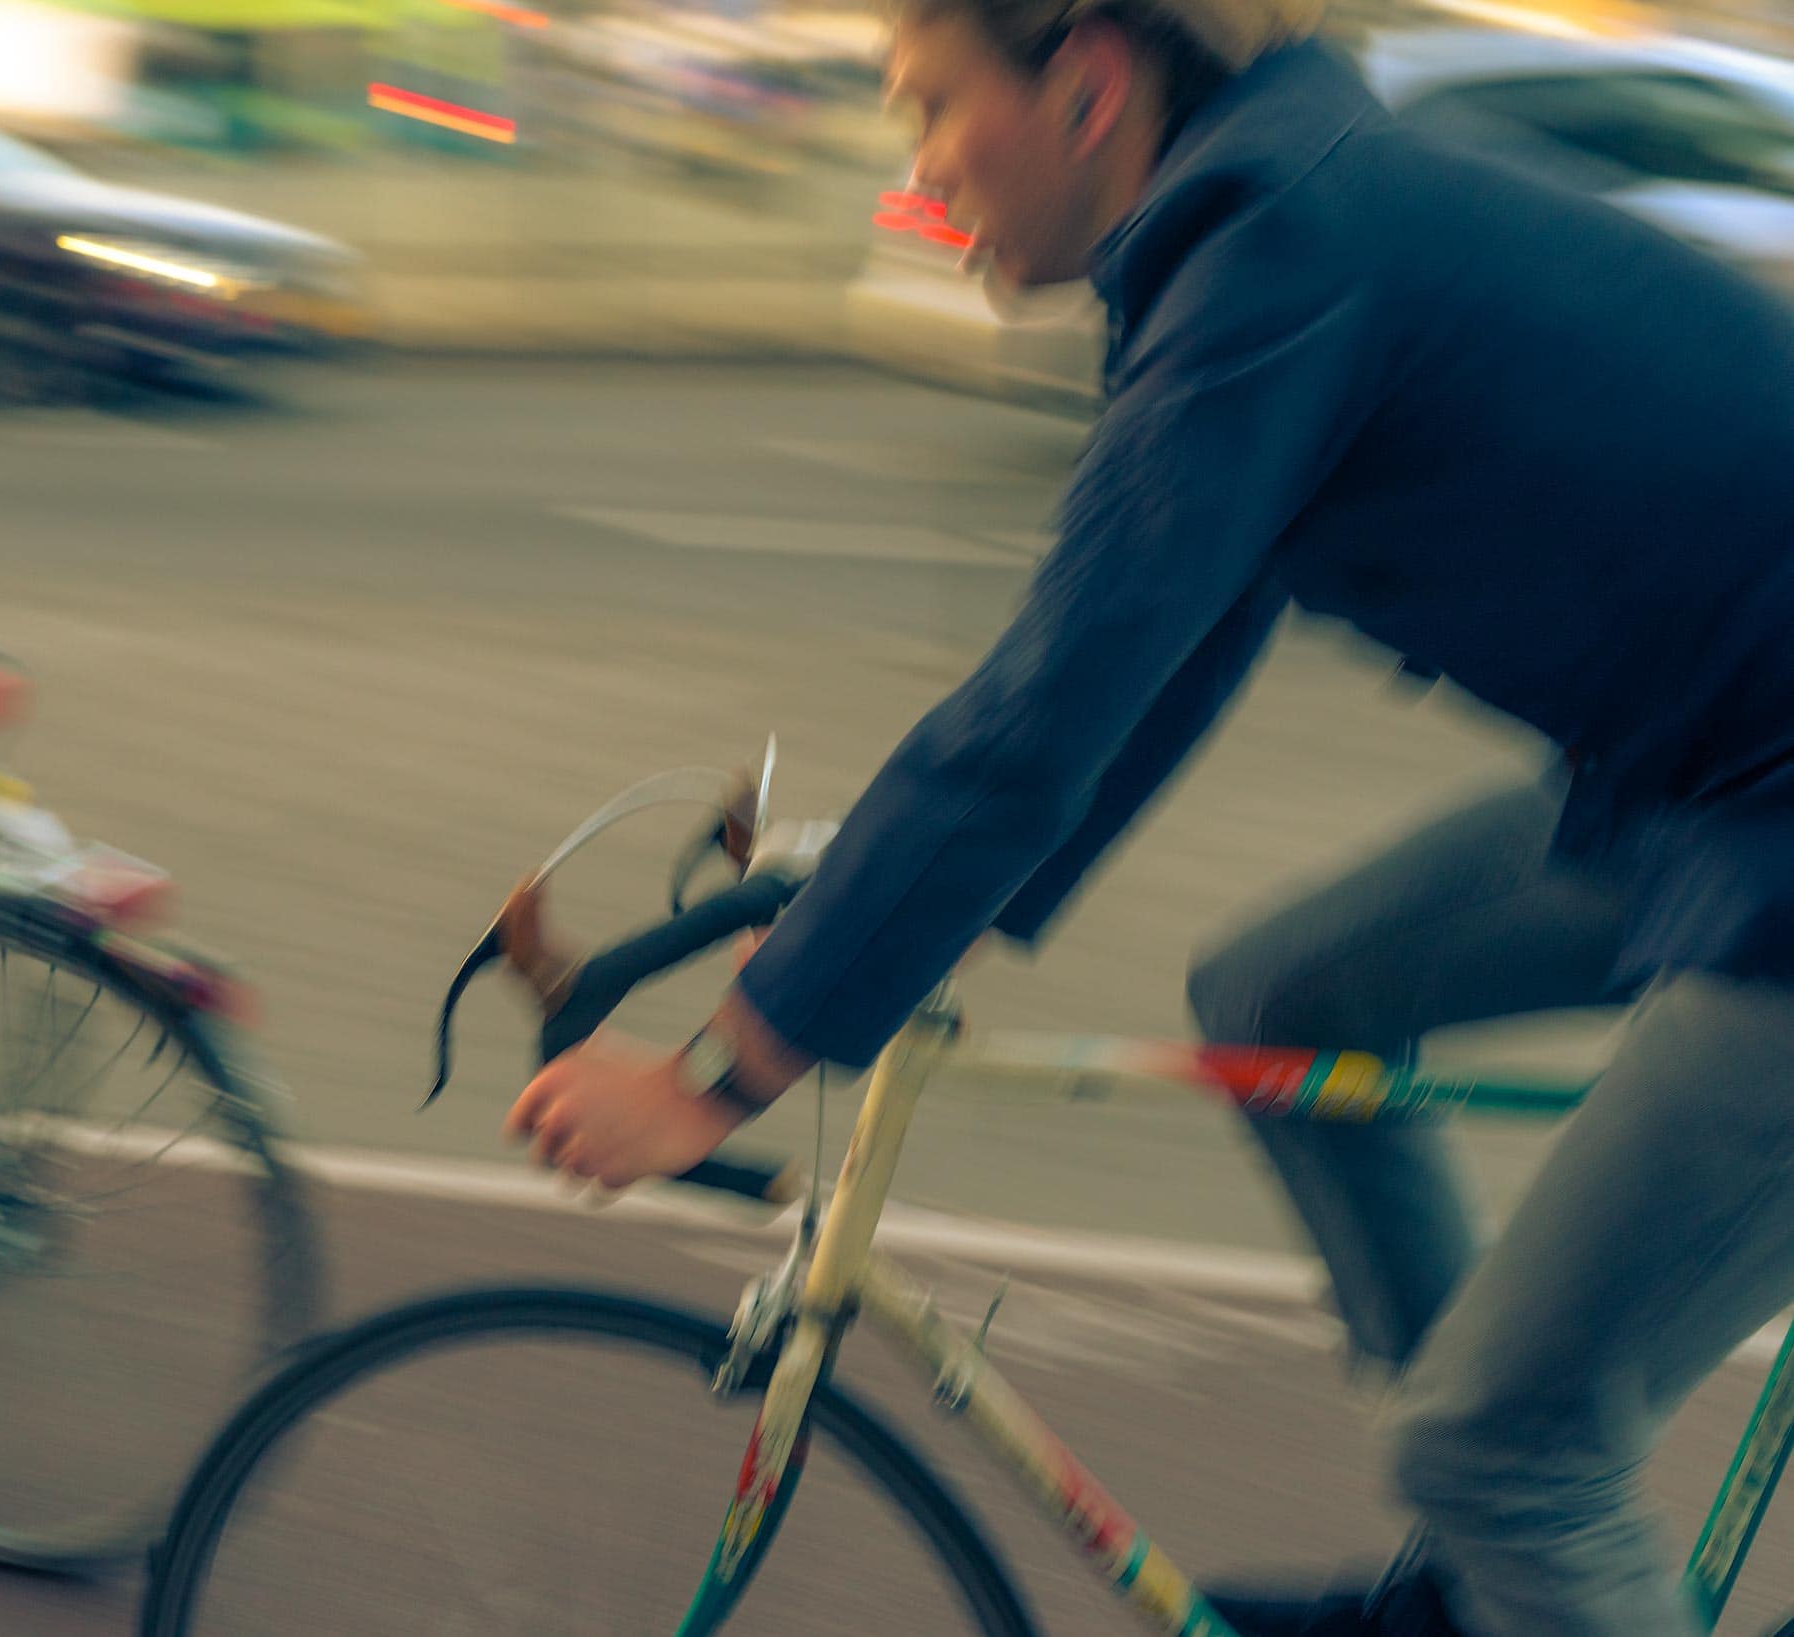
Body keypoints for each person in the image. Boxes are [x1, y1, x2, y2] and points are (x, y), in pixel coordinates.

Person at [501, 1, 1794, 1632]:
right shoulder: (1277, 216)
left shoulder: (1278, 241)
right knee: (1282, 1005)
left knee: (1507, 1443)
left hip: (1770, 830)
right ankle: (1484, 1591)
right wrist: (869, 911)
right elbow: (1141, 668)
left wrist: (722, 1071)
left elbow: (1044, 707)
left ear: (1089, 84)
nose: (915, 169)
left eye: (927, 108)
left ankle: (1502, 1517)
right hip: (1703, 790)